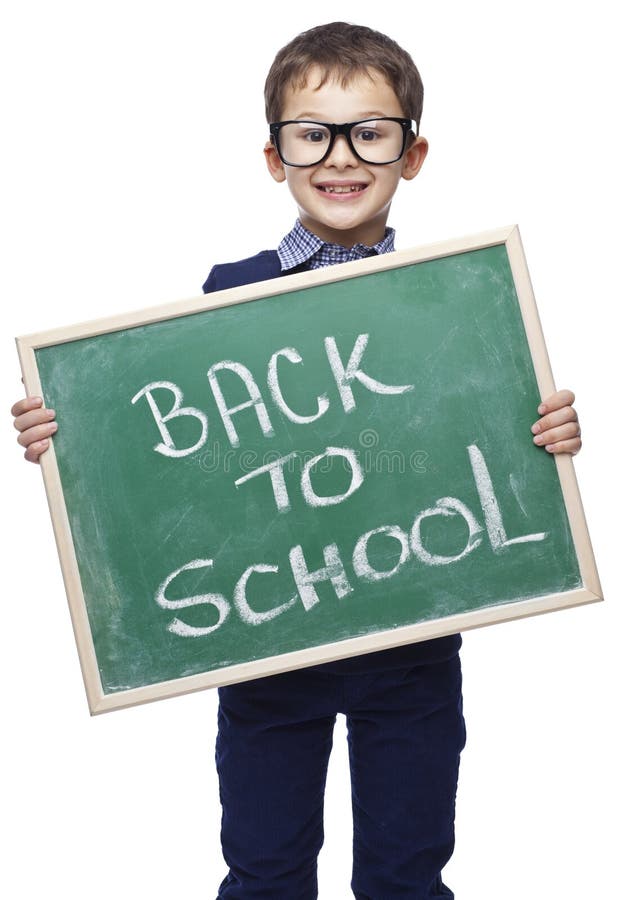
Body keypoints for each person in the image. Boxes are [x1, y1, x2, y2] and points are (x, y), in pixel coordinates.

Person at [11, 22, 582, 900]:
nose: (339, 156)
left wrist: (541, 437)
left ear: (412, 152)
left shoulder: (457, 299)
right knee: (265, 871)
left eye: (370, 131)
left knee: (406, 873)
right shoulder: (226, 296)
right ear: (275, 155)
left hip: (412, 635)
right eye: (311, 132)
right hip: (264, 636)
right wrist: (72, 435)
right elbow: (170, 447)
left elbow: (462, 442)